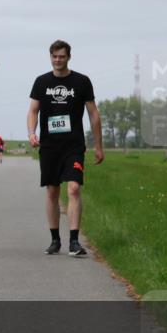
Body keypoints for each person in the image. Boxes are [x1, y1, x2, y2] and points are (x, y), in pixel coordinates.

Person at [27, 40, 104, 257]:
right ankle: (55, 240)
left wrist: (98, 146)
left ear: (69, 57)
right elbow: (33, 110)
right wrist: (31, 132)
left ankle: (74, 241)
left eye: (62, 56)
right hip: (49, 146)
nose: (58, 60)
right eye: (54, 56)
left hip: (74, 145)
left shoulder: (81, 81)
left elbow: (93, 114)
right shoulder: (41, 82)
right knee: (52, 191)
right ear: (50, 57)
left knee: (74, 188)